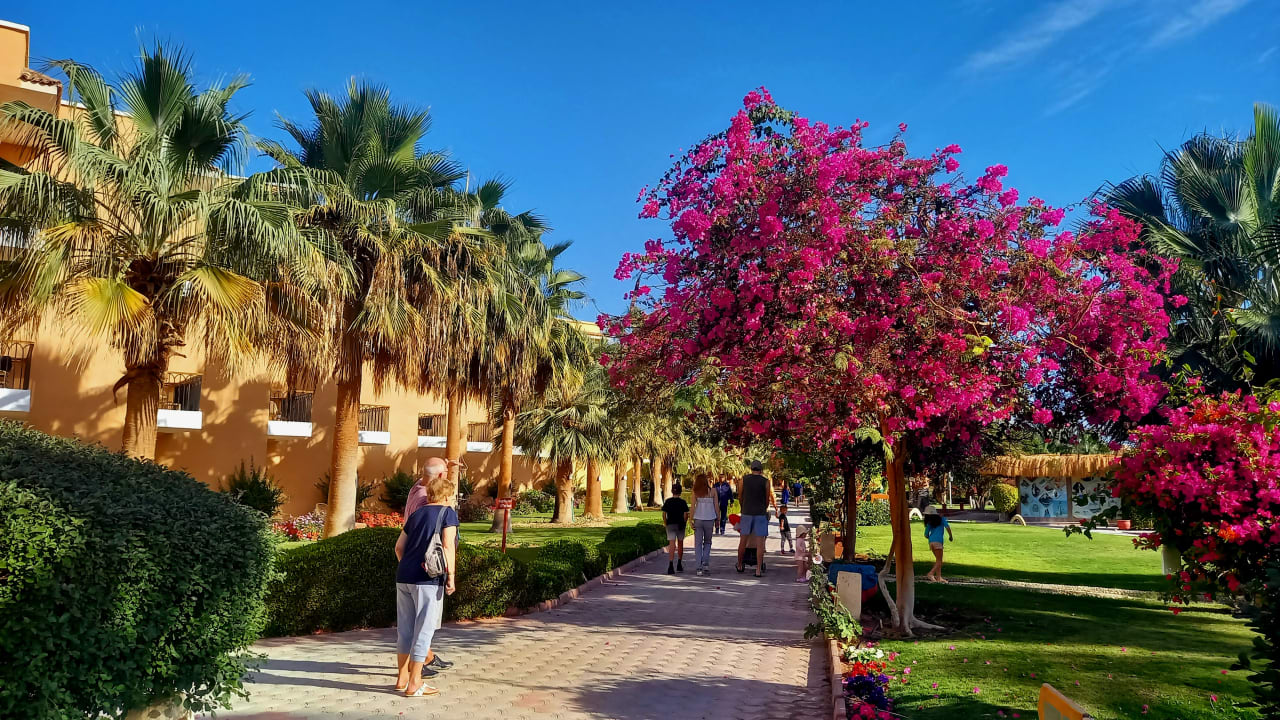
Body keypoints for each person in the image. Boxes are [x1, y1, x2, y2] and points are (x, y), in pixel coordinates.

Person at [393, 460, 458, 697]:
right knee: (424, 629)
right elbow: (448, 546)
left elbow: (399, 547)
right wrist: (451, 577)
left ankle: (401, 678)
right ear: (446, 496)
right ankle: (415, 683)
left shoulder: (416, 514)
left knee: (405, 629)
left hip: (404, 576)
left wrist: (407, 566)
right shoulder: (447, 514)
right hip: (427, 578)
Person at [736, 460, 777, 578]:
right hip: (760, 514)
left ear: (751, 468)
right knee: (760, 543)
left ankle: (740, 564)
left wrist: (743, 506)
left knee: (743, 541)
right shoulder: (766, 481)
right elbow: (767, 499)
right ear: (761, 470)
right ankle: (758, 569)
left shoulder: (743, 480)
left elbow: (740, 496)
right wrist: (763, 508)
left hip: (746, 512)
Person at [690, 474, 720, 575]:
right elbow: (716, 506)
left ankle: (698, 567)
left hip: (698, 519)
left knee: (698, 544)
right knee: (707, 542)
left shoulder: (695, 492)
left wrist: (690, 520)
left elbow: (693, 507)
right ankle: (705, 562)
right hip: (710, 519)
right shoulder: (713, 491)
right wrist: (718, 519)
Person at [661, 483, 690, 574]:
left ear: (672, 491)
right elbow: (685, 514)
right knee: (680, 544)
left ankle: (670, 565)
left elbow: (664, 514)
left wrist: (665, 522)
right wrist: (685, 522)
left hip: (670, 524)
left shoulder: (668, 501)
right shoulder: (683, 502)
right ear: (680, 492)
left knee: (672, 544)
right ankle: (679, 564)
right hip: (680, 525)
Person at [922, 506, 954, 583]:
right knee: (940, 561)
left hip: (931, 542)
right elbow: (947, 527)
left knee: (938, 560)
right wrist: (950, 536)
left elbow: (926, 534)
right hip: (938, 542)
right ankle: (931, 573)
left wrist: (931, 538)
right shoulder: (942, 519)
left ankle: (939, 577)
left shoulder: (929, 522)